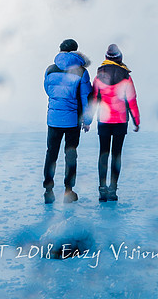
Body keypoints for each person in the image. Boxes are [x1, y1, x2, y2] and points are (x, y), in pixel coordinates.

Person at [83, 43, 140, 202]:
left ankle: (102, 189)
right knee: (116, 155)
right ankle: (113, 190)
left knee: (103, 153)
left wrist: (88, 121)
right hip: (121, 121)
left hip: (104, 120)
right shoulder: (127, 77)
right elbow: (132, 101)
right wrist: (136, 120)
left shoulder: (99, 77)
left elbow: (94, 100)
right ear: (120, 58)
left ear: (107, 59)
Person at [43, 38, 91, 204]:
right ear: (75, 52)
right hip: (72, 121)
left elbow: (48, 91)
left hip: (53, 119)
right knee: (70, 155)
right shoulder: (82, 72)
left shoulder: (50, 69)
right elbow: (86, 98)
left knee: (51, 154)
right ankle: (68, 191)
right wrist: (88, 120)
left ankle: (48, 190)